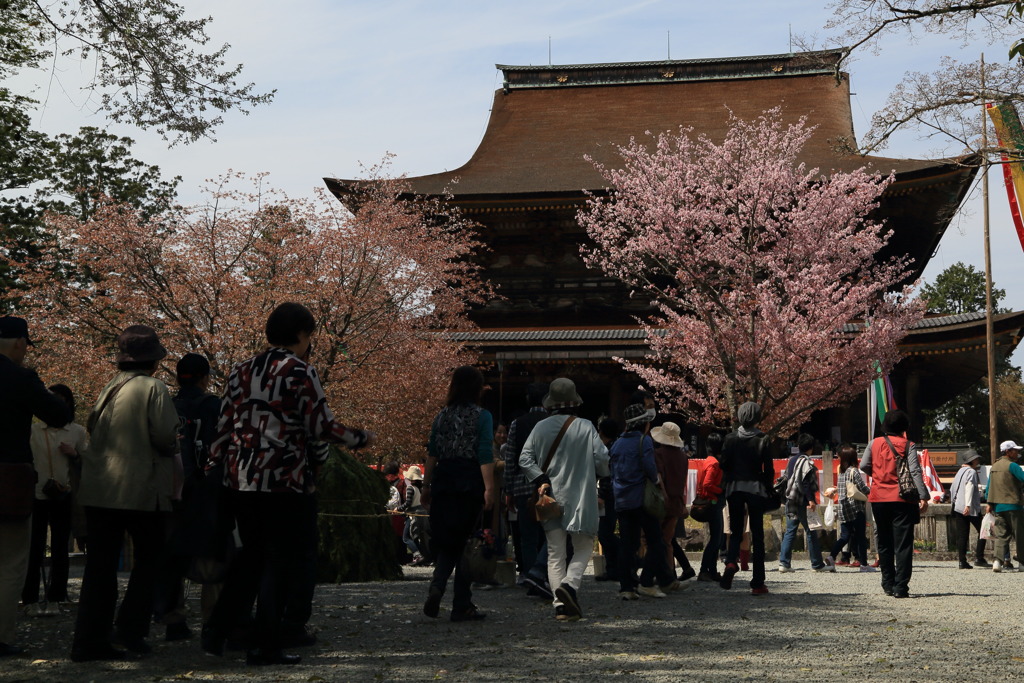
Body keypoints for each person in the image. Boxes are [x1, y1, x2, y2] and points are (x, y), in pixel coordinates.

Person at [202, 302, 375, 665]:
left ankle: (218, 628)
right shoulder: (300, 371)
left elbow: (223, 427)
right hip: (284, 480)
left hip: (241, 479)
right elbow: (320, 426)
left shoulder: (241, 371)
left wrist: (215, 468)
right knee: (280, 561)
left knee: (251, 556)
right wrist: (358, 438)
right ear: (301, 335)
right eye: (309, 336)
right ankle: (266, 644)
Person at [71, 325, 180, 661]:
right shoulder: (154, 387)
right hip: (140, 488)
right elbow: (165, 436)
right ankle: (130, 629)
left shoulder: (109, 387)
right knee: (150, 560)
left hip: (100, 487)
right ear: (154, 362)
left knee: (100, 568)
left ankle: (89, 640)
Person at [0, 316, 72, 658]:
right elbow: (59, 415)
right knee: (10, 560)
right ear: (18, 343)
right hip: (8, 479)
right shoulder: (20, 377)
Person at [519, 378, 609, 621]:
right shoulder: (586, 426)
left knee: (555, 552)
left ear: (551, 403)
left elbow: (524, 459)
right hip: (581, 497)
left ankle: (560, 606)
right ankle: (569, 585)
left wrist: (540, 479)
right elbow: (601, 458)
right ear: (574, 402)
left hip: (551, 497)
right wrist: (604, 475)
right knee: (583, 547)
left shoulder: (540, 428)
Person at [153, 353, 223, 641]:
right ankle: (213, 620)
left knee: (172, 555)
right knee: (212, 555)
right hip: (205, 490)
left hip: (170, 491)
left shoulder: (168, 405)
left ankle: (174, 621)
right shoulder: (213, 405)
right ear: (206, 378)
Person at [422, 365, 496, 622]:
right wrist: (489, 488)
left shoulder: (441, 415)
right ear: (477, 388)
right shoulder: (481, 416)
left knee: (447, 541)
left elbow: (432, 451)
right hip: (469, 480)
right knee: (465, 542)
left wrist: (426, 485)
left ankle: (437, 585)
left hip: (444, 480)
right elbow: (484, 451)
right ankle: (461, 604)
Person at [22, 384, 86, 615]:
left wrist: (76, 454)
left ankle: (56, 597)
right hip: (36, 494)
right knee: (34, 548)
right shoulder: (33, 430)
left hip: (64, 494)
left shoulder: (77, 431)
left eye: (61, 399)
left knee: (60, 548)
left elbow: (88, 464)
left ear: (69, 403)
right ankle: (29, 599)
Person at [610, 393, 677, 600]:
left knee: (628, 544)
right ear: (643, 424)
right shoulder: (643, 442)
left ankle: (626, 587)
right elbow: (650, 470)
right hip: (641, 499)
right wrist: (658, 483)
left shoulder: (617, 444)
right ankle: (646, 582)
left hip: (621, 500)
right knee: (656, 541)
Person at [860, 409, 928, 598]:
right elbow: (915, 472)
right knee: (903, 544)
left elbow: (863, 465)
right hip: (902, 498)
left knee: (884, 541)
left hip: (879, 498)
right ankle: (901, 587)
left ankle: (887, 583)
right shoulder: (908, 446)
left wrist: (879, 475)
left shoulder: (874, 443)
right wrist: (923, 496)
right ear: (904, 427)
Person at [500, 383, 552, 594]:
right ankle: (547, 575)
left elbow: (511, 458)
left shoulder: (517, 424)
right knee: (549, 534)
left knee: (527, 536)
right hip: (549, 486)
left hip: (523, 487)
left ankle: (531, 576)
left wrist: (509, 490)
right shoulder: (552, 423)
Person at [718, 401, 773, 595]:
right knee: (757, 535)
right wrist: (769, 488)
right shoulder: (763, 439)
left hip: (734, 488)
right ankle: (758, 582)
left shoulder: (730, 438)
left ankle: (731, 561)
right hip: (755, 489)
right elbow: (769, 469)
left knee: (735, 530)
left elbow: (723, 463)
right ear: (757, 417)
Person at [778, 433, 831, 573]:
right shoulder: (806, 461)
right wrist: (811, 500)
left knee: (790, 531)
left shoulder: (791, 460)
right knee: (811, 531)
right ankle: (817, 564)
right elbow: (805, 483)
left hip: (790, 499)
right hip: (802, 500)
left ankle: (784, 563)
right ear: (811, 448)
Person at [652, 421, 695, 583]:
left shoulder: (658, 454)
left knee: (654, 539)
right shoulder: (683, 457)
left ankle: (660, 573)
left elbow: (659, 476)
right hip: (677, 501)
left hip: (661, 501)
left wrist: (663, 493)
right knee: (668, 541)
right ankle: (670, 574)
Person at [826, 444, 873, 572]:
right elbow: (863, 488)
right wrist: (872, 490)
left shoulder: (841, 471)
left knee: (844, 536)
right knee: (860, 537)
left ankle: (831, 556)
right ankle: (863, 564)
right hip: (855, 508)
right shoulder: (853, 471)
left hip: (843, 508)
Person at [984, 440, 1024, 573]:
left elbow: (988, 488)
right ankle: (1022, 563)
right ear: (1008, 452)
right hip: (1014, 505)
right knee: (1020, 534)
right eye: (1015, 450)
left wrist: (989, 503)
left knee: (1001, 535)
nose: (1017, 453)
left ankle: (997, 561)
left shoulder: (994, 467)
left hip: (998, 506)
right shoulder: (1012, 466)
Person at [949, 449, 987, 569]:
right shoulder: (971, 471)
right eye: (976, 459)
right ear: (973, 460)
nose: (978, 460)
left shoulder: (960, 471)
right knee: (983, 530)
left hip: (957, 506)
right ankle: (979, 558)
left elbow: (952, 489)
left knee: (962, 535)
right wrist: (968, 505)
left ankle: (962, 561)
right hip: (969, 507)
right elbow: (969, 487)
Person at [595, 417, 621, 582]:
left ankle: (628, 558)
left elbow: (605, 475)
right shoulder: (616, 447)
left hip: (609, 496)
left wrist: (600, 495)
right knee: (606, 532)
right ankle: (613, 568)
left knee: (604, 534)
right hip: (618, 494)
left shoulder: (607, 450)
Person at [697, 432, 725, 582]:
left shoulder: (707, 460)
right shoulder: (714, 463)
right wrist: (721, 490)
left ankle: (712, 571)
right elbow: (707, 484)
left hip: (710, 502)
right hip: (713, 502)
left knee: (716, 538)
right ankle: (704, 570)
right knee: (716, 539)